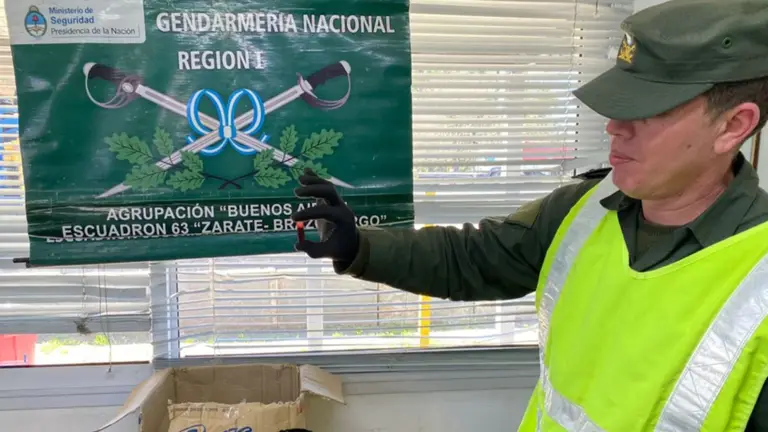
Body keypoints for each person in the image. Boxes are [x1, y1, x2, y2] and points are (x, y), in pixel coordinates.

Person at [291, 0, 768, 429]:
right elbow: (474, 258)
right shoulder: (584, 209)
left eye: (648, 111)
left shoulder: (758, 284)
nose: (613, 127)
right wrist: (360, 246)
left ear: (733, 125)